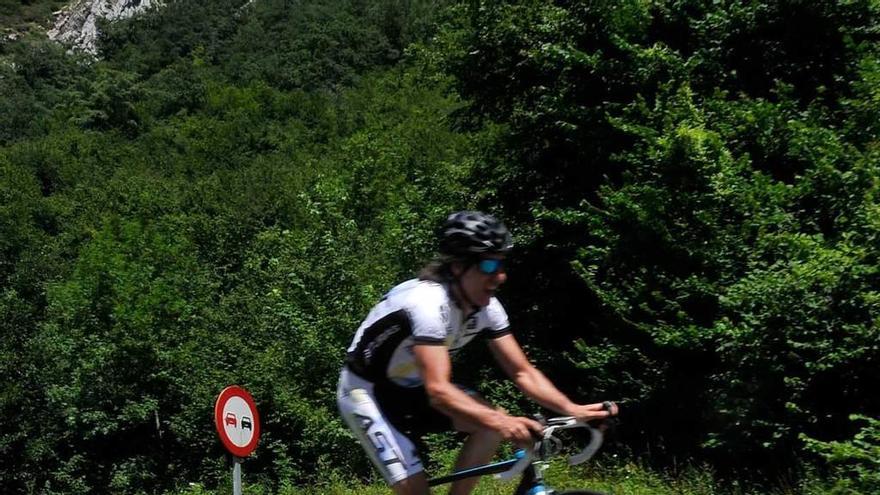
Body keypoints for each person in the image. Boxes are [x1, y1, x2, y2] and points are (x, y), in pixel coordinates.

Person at [337, 211, 618, 495]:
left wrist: (572, 409)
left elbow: (522, 372)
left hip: (413, 387)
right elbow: (439, 391)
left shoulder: (487, 309)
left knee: (490, 425)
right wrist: (501, 420)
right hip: (366, 392)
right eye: (489, 264)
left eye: (502, 264)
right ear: (458, 266)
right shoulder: (427, 305)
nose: (500, 276)